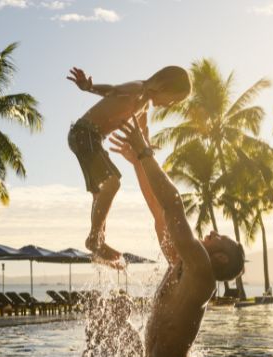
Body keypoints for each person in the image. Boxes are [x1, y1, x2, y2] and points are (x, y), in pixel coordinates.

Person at [109, 118, 245, 357]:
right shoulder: (183, 263)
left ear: (221, 257)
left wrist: (146, 153)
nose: (211, 231)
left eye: (218, 236)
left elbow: (174, 203)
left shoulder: (202, 273)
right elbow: (161, 213)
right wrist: (136, 164)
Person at [67, 66, 191, 266]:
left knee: (101, 193)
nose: (171, 105)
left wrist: (147, 149)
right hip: (84, 134)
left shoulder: (143, 107)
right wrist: (89, 87)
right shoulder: (138, 89)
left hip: (89, 138)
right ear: (162, 86)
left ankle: (98, 242)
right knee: (112, 183)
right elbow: (112, 90)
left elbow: (142, 131)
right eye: (173, 99)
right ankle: (94, 238)